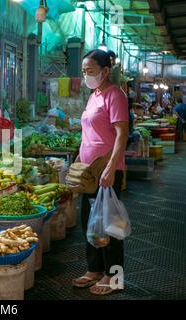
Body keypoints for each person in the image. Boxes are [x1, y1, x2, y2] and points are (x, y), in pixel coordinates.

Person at [71, 49, 129, 296]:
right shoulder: (93, 95)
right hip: (89, 173)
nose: (87, 75)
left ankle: (113, 277)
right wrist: (78, 157)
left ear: (105, 72)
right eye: (84, 71)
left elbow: (121, 134)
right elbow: (89, 132)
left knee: (110, 227)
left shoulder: (114, 95)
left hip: (107, 170)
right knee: (90, 223)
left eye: (91, 71)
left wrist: (110, 167)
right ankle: (94, 270)